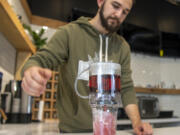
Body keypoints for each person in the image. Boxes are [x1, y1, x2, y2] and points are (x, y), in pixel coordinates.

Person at [21, 0, 153, 134]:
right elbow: (40, 60)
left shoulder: (122, 47)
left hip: (106, 130)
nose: (119, 14)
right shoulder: (70, 33)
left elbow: (126, 88)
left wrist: (137, 122)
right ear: (101, 1)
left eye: (125, 12)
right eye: (115, 5)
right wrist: (31, 71)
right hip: (72, 131)